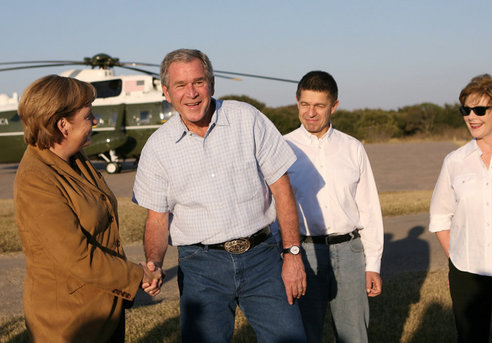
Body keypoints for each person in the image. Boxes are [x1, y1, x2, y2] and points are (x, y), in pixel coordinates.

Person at [132, 49, 306, 342]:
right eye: (180, 85)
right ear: (166, 92)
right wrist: (155, 261)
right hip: (201, 268)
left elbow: (282, 189)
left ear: (211, 83)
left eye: (198, 82)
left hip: (262, 259)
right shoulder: (157, 148)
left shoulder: (246, 118)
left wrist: (292, 254)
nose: (191, 93)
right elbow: (157, 219)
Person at [14, 75, 162, 342]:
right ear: (63, 125)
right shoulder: (36, 179)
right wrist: (138, 275)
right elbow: (78, 257)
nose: (95, 121)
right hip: (70, 323)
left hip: (101, 307)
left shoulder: (74, 160)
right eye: (87, 115)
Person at [273, 71, 384, 342]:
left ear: (333, 106)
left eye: (319, 106)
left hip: (350, 252)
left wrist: (374, 264)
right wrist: (283, 256)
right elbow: (273, 210)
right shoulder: (282, 148)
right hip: (304, 253)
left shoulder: (353, 147)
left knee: (354, 335)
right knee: (306, 333)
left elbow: (369, 209)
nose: (311, 113)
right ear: (297, 102)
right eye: (305, 104)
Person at [430, 74, 492, 342]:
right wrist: (455, 259)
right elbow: (440, 216)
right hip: (467, 271)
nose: (471, 117)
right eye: (465, 110)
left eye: (479, 110)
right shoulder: (455, 161)